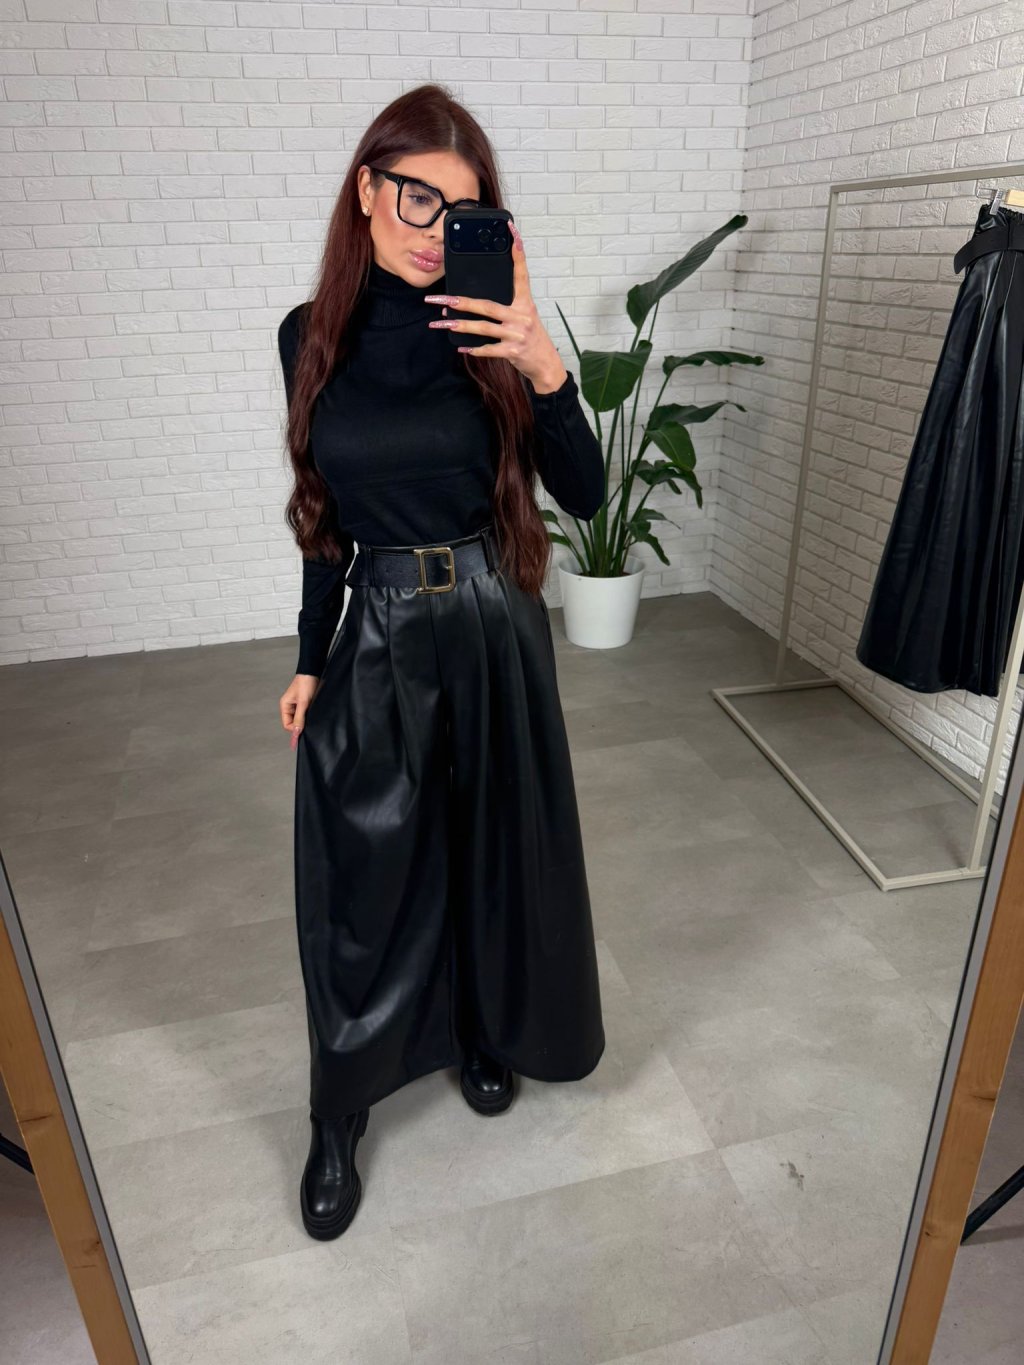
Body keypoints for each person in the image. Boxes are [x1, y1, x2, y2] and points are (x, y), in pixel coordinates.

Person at [277, 84, 606, 1242]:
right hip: (376, 624)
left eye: (461, 211)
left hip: (489, 619)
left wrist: (541, 362)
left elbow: (587, 496)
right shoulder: (308, 335)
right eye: (416, 196)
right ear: (367, 190)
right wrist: (311, 656)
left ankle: (480, 1029)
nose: (433, 228)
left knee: (486, 845)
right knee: (359, 876)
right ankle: (338, 1108)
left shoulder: (490, 332)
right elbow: (322, 513)